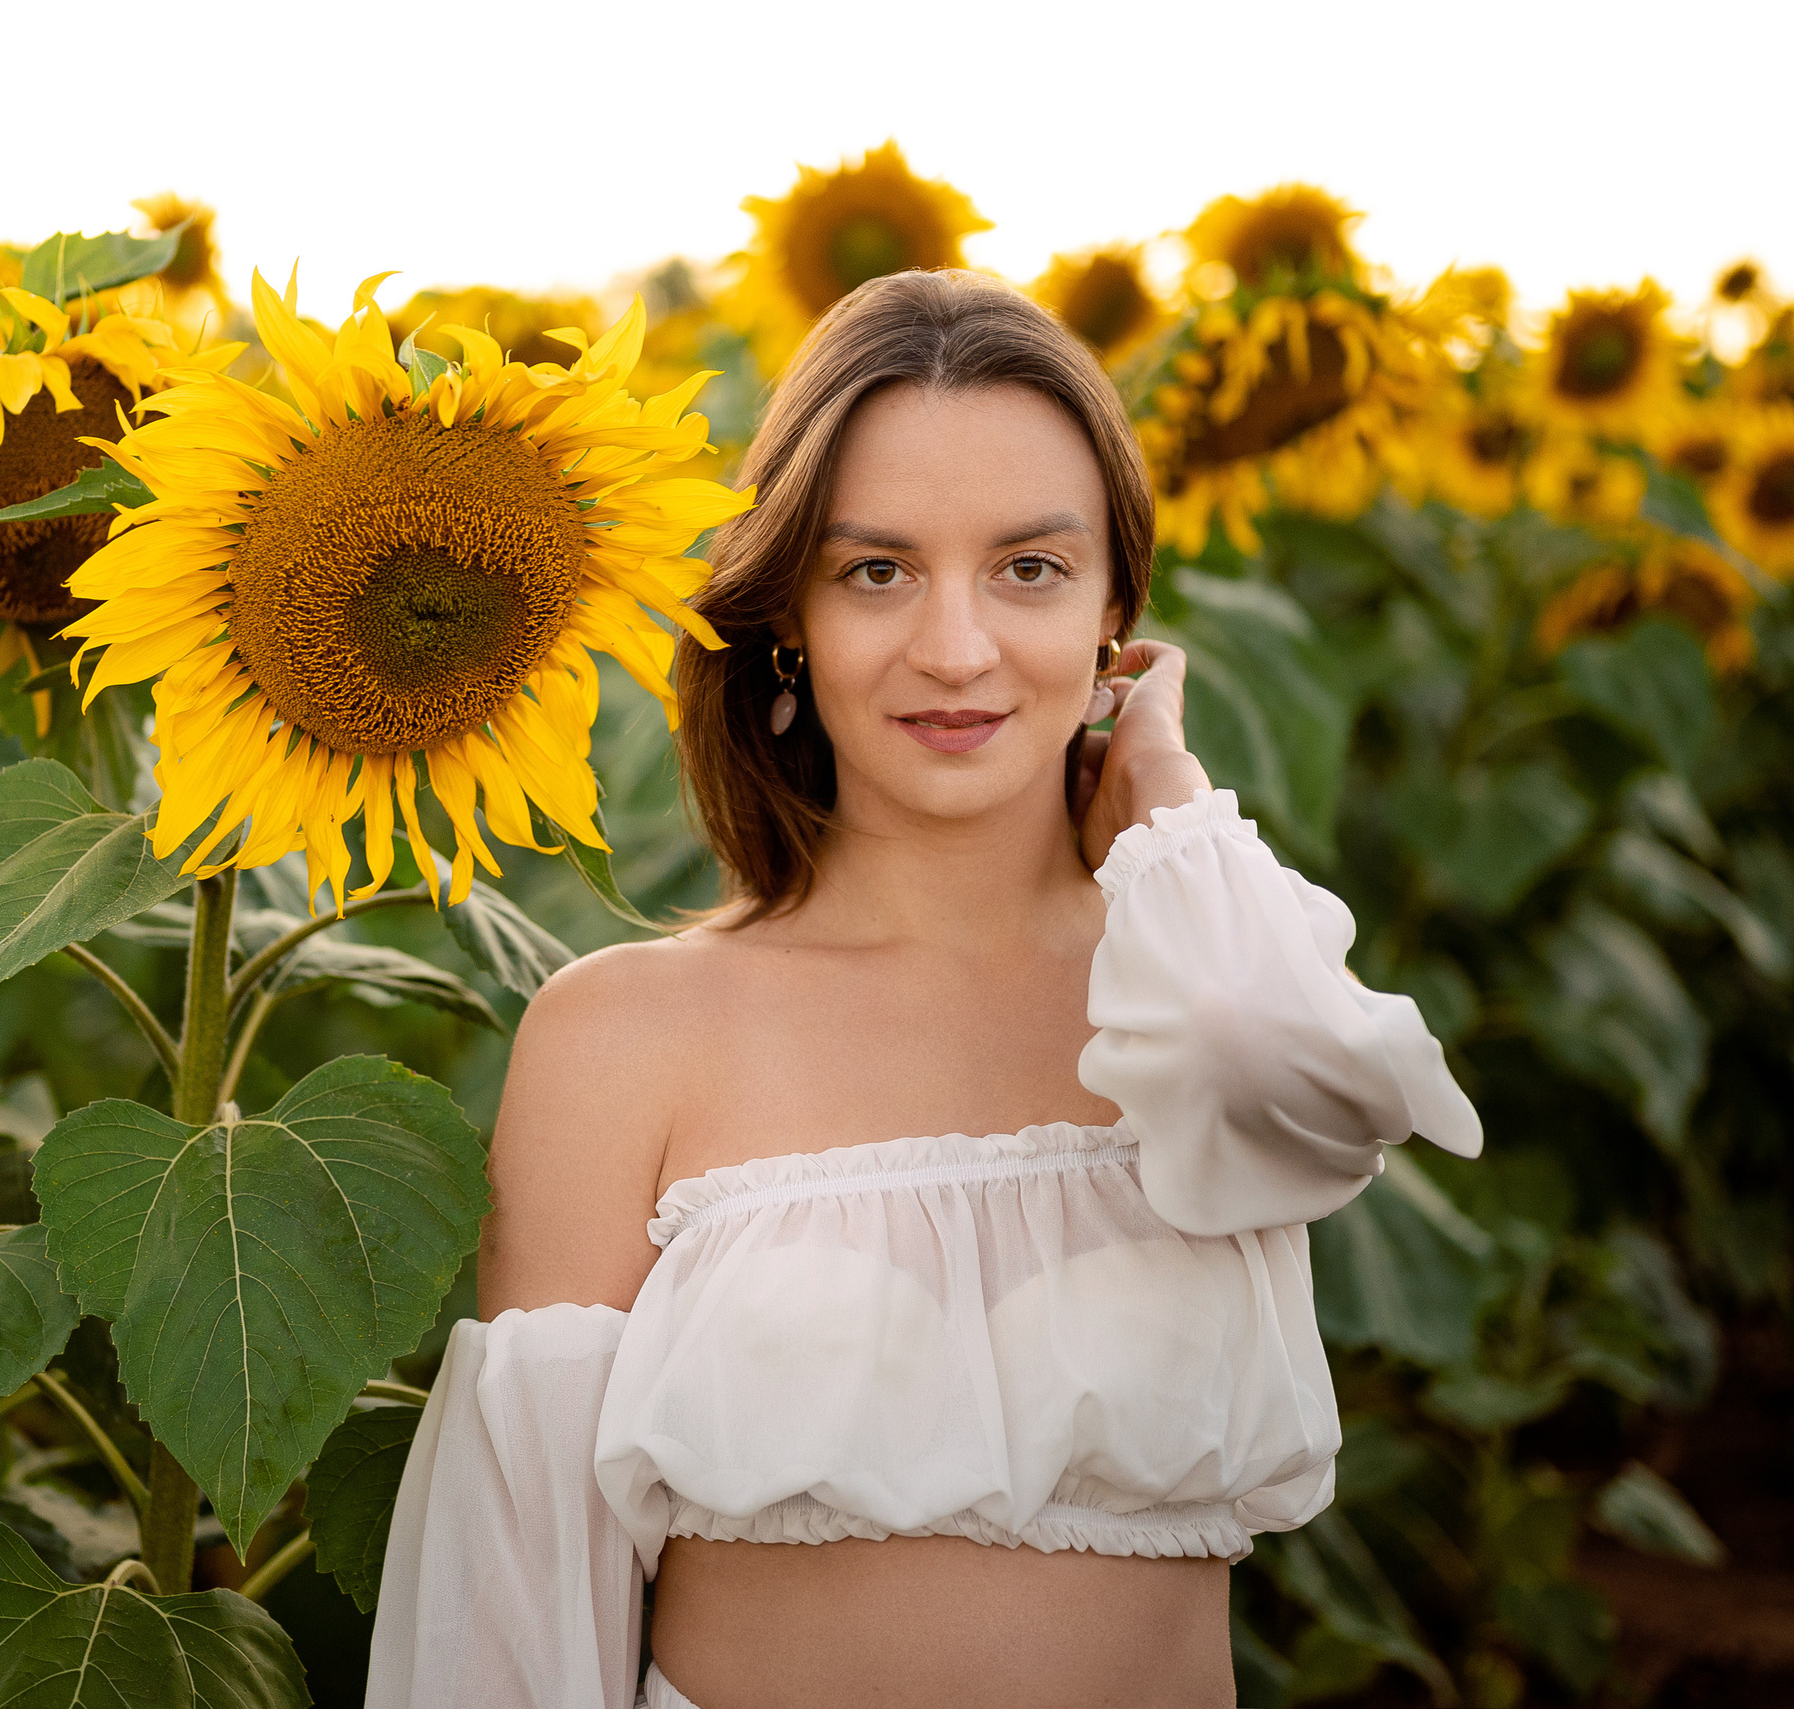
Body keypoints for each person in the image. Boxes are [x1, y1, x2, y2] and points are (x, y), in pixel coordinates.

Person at [364, 269, 1482, 1709]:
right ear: (787, 622)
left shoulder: (1199, 991)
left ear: (1114, 621)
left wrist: (1162, 798)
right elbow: (512, 1613)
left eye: (1029, 568)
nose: (955, 649)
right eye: (875, 570)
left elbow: (1291, 1083)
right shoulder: (621, 1036)